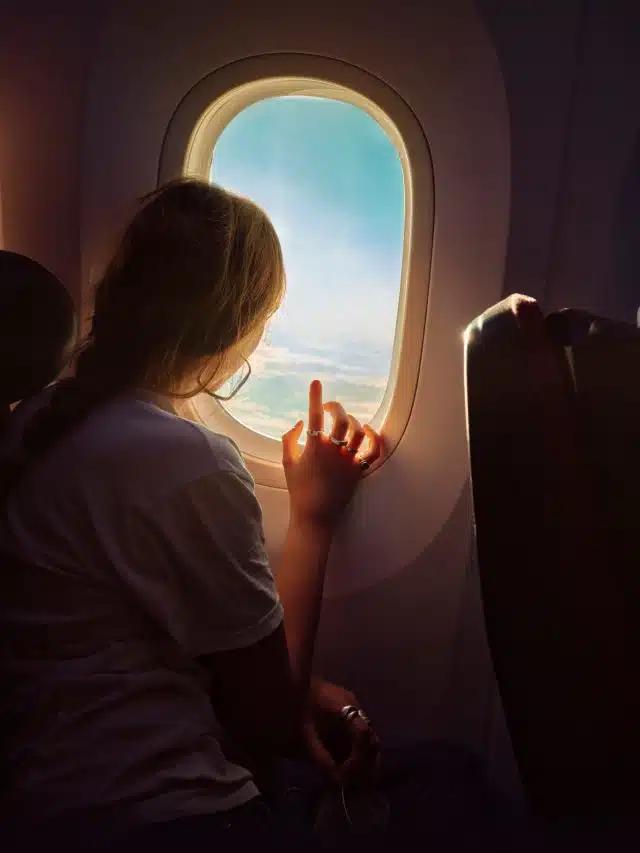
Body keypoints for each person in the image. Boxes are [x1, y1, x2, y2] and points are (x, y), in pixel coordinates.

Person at [0, 178, 385, 850]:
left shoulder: (33, 425)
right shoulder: (187, 461)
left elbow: (116, 640)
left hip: (44, 804)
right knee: (449, 782)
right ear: (239, 330)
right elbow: (266, 719)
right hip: (163, 813)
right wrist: (315, 514)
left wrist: (310, 685)